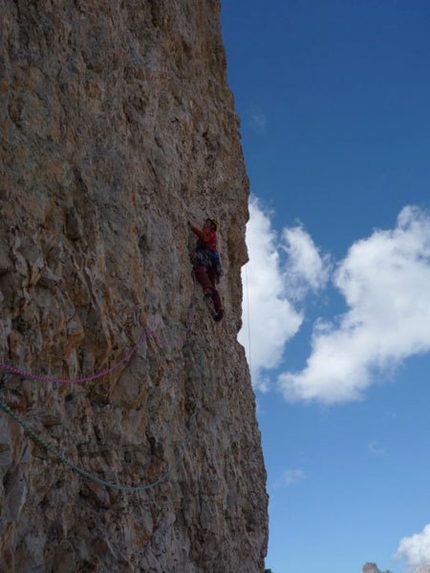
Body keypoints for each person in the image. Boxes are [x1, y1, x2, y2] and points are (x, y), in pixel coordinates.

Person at [188, 217, 224, 321]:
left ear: (212, 225)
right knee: (213, 285)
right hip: (213, 264)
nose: (206, 224)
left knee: (199, 268)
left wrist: (192, 228)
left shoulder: (210, 232)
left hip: (205, 257)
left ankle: (207, 289)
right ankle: (220, 309)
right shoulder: (214, 237)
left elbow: (204, 238)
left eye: (208, 223)